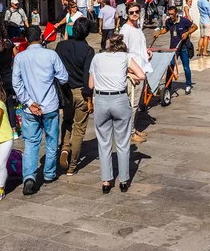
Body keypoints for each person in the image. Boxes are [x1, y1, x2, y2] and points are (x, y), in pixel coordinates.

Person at [12, 26, 69, 195]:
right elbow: (64, 77)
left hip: (30, 108)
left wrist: (29, 102)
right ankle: (49, 173)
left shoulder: (20, 58)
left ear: (26, 39)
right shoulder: (51, 55)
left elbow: (16, 84)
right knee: (51, 139)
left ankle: (29, 176)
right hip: (50, 105)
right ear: (42, 37)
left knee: (31, 143)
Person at [89, 35, 146, 193]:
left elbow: (90, 84)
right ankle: (123, 180)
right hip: (119, 99)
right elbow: (141, 75)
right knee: (122, 142)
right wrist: (127, 74)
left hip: (101, 100)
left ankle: (106, 181)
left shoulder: (97, 58)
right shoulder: (125, 57)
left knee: (104, 143)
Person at [55, 18, 95, 176]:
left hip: (65, 91)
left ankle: (65, 148)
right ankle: (72, 165)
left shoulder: (61, 46)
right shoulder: (88, 50)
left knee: (66, 121)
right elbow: (88, 77)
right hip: (81, 92)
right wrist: (90, 99)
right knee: (79, 129)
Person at [120, 2, 153, 143]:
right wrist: (129, 71)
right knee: (132, 103)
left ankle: (133, 128)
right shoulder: (125, 30)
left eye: (136, 12)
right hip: (134, 71)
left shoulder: (138, 27)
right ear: (127, 14)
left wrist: (146, 52)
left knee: (137, 102)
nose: (135, 14)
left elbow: (137, 47)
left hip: (141, 68)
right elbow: (122, 53)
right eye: (132, 12)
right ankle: (130, 132)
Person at [154, 6, 198, 95]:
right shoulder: (168, 21)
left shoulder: (184, 21)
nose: (170, 16)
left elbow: (195, 27)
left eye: (172, 14)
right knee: (170, 67)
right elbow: (166, 29)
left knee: (186, 67)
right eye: (169, 14)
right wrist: (159, 33)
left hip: (183, 47)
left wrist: (187, 33)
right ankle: (167, 86)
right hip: (173, 49)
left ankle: (188, 84)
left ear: (176, 13)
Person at [0, 23, 19, 139]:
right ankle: (14, 129)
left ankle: (0, 126)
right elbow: (16, 56)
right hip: (9, 75)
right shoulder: (10, 43)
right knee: (10, 102)